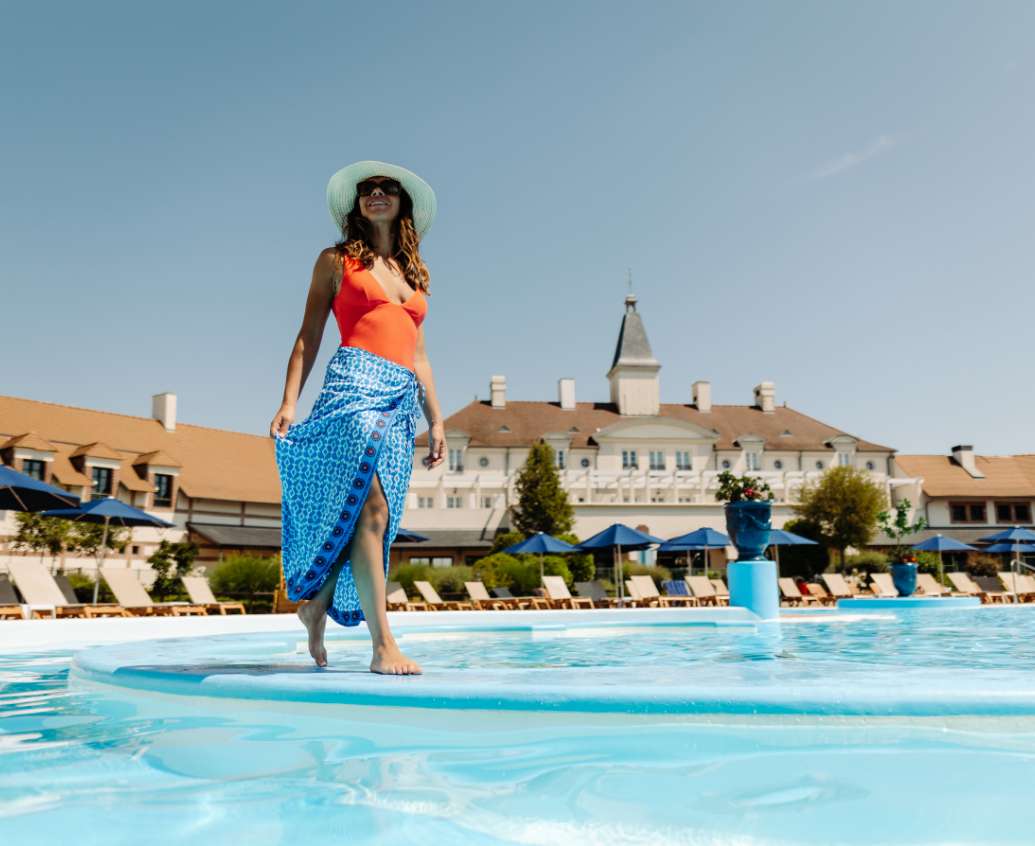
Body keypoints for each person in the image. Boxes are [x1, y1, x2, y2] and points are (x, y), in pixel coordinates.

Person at [270, 160, 445, 675]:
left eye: (386, 188)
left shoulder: (413, 276)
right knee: (366, 502)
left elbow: (420, 357)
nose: (376, 194)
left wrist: (435, 420)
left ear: (402, 204)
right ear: (356, 204)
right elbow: (309, 335)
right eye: (366, 189)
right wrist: (288, 401)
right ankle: (383, 644)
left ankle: (316, 603)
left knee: (374, 516)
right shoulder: (334, 260)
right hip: (353, 386)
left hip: (400, 398)